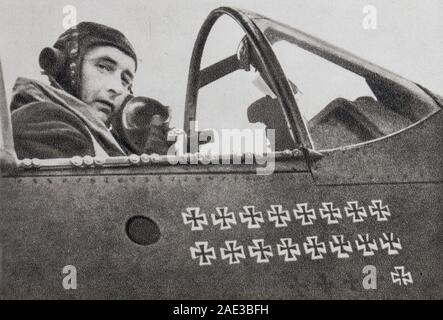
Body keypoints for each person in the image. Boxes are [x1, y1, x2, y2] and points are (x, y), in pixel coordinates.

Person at [10, 21, 171, 159]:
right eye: (103, 67)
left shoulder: (98, 140)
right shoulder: (42, 120)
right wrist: (153, 163)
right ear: (67, 69)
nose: (116, 88)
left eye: (125, 81)